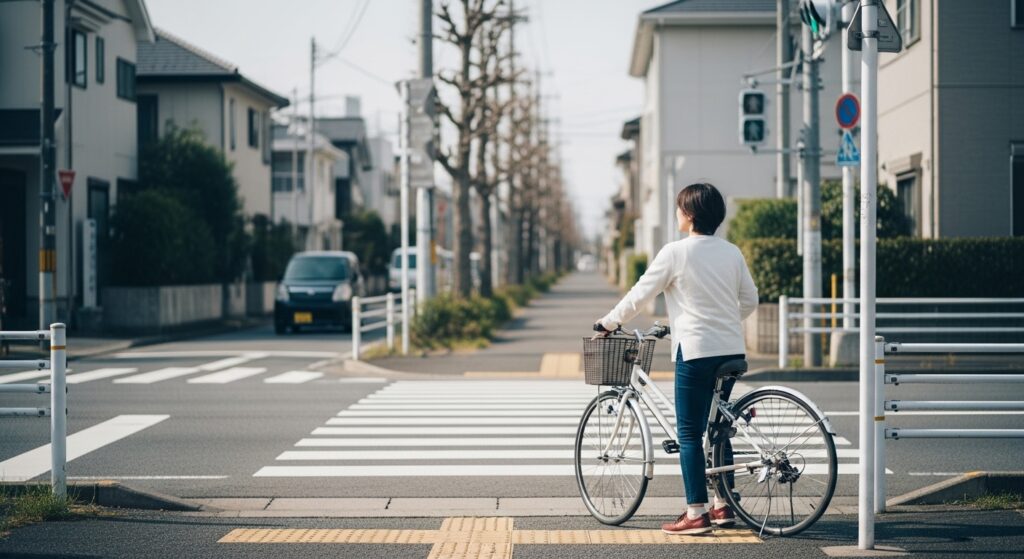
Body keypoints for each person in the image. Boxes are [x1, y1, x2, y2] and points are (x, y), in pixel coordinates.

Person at [595, 182, 758, 535]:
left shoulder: (675, 252)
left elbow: (640, 294)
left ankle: (695, 513)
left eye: (679, 209)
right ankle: (722, 507)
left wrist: (609, 323)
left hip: (697, 352)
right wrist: (723, 324)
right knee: (718, 430)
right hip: (731, 349)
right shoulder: (732, 252)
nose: (676, 215)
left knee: (689, 434)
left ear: (690, 215)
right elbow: (750, 300)